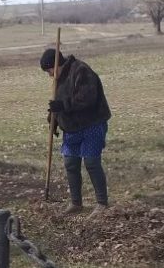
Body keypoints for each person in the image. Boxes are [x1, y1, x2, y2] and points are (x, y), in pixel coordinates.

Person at [40, 48, 111, 216]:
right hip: (72, 129)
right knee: (71, 163)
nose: (50, 75)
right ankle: (76, 203)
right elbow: (57, 103)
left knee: (92, 163)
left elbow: (87, 99)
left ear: (56, 65)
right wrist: (53, 119)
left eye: (49, 70)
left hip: (92, 124)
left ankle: (102, 203)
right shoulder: (58, 80)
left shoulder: (81, 71)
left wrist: (63, 105)